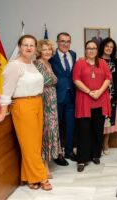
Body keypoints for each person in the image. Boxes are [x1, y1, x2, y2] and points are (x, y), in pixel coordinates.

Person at [0, 35, 52, 190]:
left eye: (32, 45)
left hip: (37, 103)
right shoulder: (14, 66)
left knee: (34, 144)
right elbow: (6, 91)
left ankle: (29, 178)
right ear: (19, 46)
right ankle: (41, 177)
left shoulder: (32, 64)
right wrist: (2, 111)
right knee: (30, 144)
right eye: (25, 45)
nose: (29, 48)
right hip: (23, 105)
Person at [73, 40, 111, 172]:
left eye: (94, 48)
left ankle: (95, 154)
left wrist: (99, 92)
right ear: (85, 49)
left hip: (100, 100)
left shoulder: (103, 63)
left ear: (97, 50)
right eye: (89, 48)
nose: (91, 50)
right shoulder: (79, 63)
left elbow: (108, 78)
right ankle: (82, 159)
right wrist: (89, 92)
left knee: (97, 129)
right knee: (84, 130)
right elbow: (76, 80)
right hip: (85, 100)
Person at [34, 39, 61, 179]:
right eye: (44, 49)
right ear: (39, 51)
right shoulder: (37, 64)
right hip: (43, 102)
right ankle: (43, 165)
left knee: (51, 131)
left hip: (52, 101)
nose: (47, 52)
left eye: (49, 49)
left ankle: (46, 161)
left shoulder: (49, 63)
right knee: (45, 132)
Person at [49, 32, 77, 165]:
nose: (65, 44)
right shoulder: (51, 56)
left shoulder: (73, 54)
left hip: (72, 96)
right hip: (57, 96)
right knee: (58, 126)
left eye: (68, 41)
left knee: (71, 125)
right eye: (62, 41)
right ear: (57, 42)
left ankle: (69, 151)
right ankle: (58, 153)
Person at [98, 37, 117, 155]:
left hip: (112, 96)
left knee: (109, 121)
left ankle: (106, 143)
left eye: (111, 47)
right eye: (107, 46)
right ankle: (98, 143)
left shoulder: (115, 61)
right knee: (99, 121)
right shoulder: (96, 60)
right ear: (103, 47)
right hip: (99, 95)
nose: (109, 49)